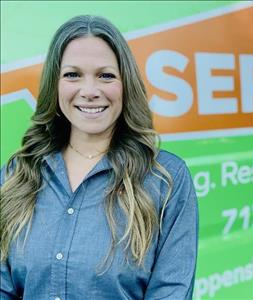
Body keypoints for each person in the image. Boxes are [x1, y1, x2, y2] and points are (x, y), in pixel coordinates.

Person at [0, 15, 198, 300]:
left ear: (125, 84)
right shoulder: (15, 176)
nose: (90, 91)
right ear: (54, 86)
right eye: (72, 75)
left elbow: (171, 292)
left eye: (106, 75)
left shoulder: (165, 179)